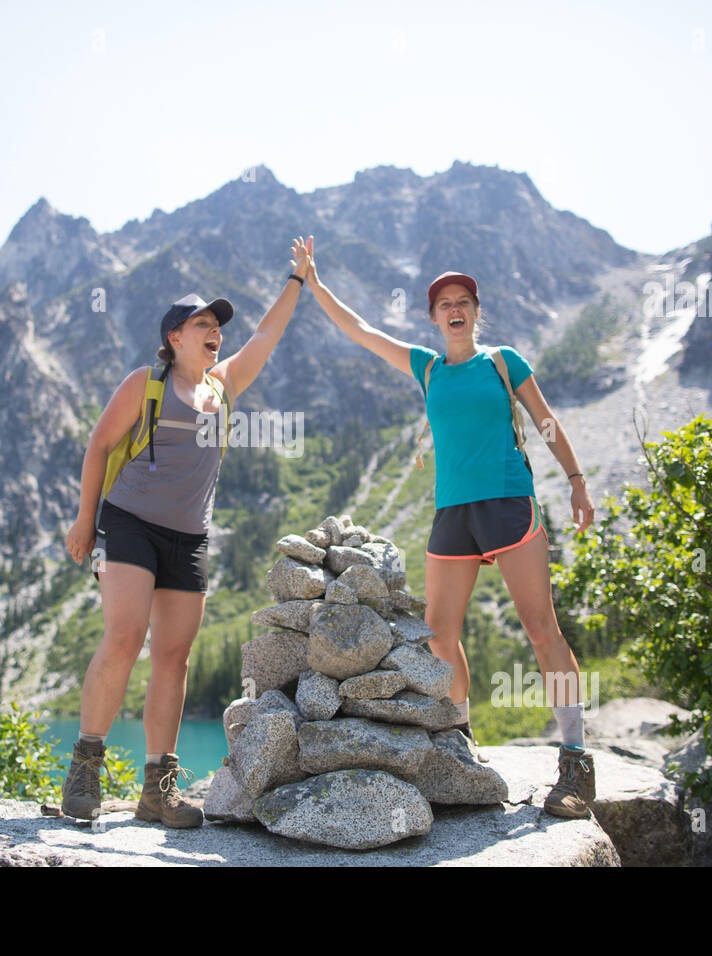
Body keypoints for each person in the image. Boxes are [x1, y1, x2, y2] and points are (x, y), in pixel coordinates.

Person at [303, 254, 599, 819]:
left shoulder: (503, 362)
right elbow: (362, 332)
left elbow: (546, 421)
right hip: (454, 512)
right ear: (435, 319)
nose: (455, 310)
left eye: (464, 302)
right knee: (439, 634)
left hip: (510, 503)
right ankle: (463, 740)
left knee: (541, 628)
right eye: (445, 305)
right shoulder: (427, 367)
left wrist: (577, 482)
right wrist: (317, 285)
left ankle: (576, 760)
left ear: (477, 313)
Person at [61, 236, 314, 827]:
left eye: (216, 326)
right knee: (125, 637)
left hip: (189, 539)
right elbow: (99, 445)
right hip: (128, 525)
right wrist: (83, 518)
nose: (214, 332)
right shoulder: (144, 385)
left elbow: (267, 337)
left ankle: (158, 789)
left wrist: (296, 279)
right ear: (174, 338)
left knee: (174, 658)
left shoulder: (223, 388)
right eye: (201, 324)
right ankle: (85, 769)